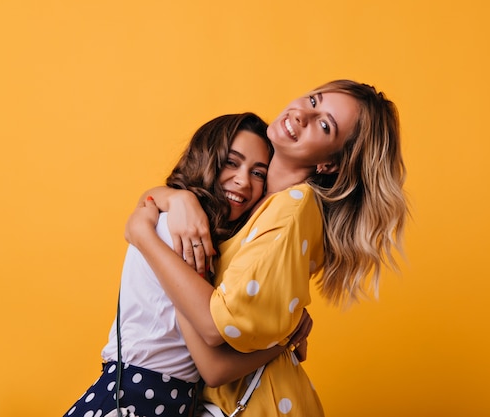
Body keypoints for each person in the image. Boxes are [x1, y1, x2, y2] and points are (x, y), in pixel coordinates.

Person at [126, 79, 408, 416]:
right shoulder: (257, 205)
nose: (303, 115)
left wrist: (143, 236)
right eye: (313, 100)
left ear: (329, 164)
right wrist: (177, 197)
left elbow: (214, 336)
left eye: (324, 125)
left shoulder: (293, 207)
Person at [64, 113, 311, 417]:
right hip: (137, 400)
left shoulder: (196, 226)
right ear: (207, 159)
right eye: (231, 162)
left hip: (159, 400)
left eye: (258, 173)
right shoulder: (186, 234)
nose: (243, 181)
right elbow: (214, 363)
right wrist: (286, 335)